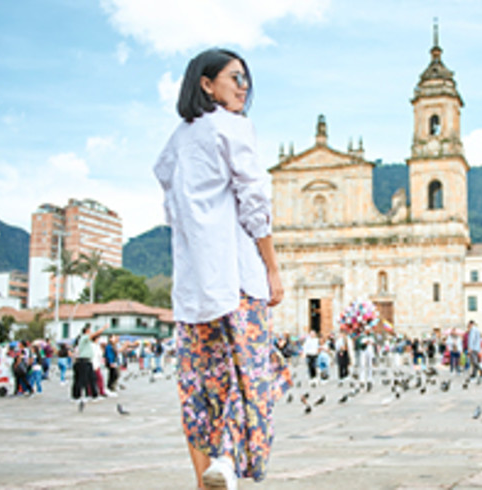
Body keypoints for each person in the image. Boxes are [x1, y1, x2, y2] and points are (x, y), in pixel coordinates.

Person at [154, 48, 290, 490]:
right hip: (237, 280)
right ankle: (228, 460)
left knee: (199, 385)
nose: (244, 86)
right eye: (235, 77)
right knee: (251, 375)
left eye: (247, 79)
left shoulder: (176, 142)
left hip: (194, 289)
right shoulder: (233, 126)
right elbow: (254, 203)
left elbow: (173, 209)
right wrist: (272, 268)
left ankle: (204, 479)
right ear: (206, 84)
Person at [72, 323, 108, 401]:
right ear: (87, 331)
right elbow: (94, 335)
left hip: (88, 361)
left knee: (92, 378)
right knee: (81, 380)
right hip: (83, 360)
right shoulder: (84, 338)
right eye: (90, 331)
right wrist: (103, 328)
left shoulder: (87, 341)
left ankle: (93, 395)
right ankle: (77, 396)